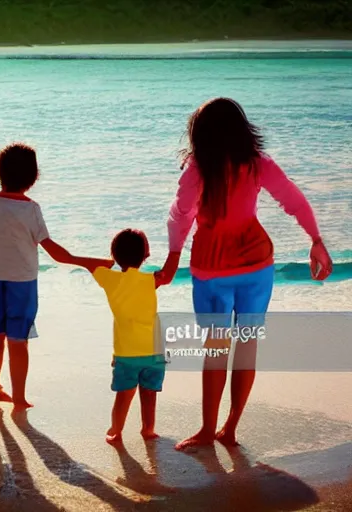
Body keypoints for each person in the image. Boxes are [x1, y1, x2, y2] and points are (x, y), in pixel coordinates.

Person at [162, 97, 333, 450]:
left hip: (213, 267)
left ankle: (209, 430)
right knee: (247, 344)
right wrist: (316, 240)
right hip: (257, 264)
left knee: (216, 348)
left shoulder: (198, 169)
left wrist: (172, 256)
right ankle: (230, 428)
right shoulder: (257, 164)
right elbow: (294, 200)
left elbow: (181, 215)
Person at [0, 142, 113, 411]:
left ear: (0, 172)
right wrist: (87, 262)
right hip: (22, 282)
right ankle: (19, 398)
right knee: (18, 341)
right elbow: (54, 252)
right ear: (33, 178)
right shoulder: (31, 210)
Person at [71, 228, 179, 444]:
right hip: (154, 351)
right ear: (146, 255)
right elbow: (169, 272)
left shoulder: (110, 279)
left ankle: (116, 431)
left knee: (124, 394)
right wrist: (176, 247)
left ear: (114, 255)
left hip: (127, 353)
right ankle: (148, 429)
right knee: (149, 393)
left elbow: (90, 265)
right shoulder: (151, 280)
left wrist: (109, 261)